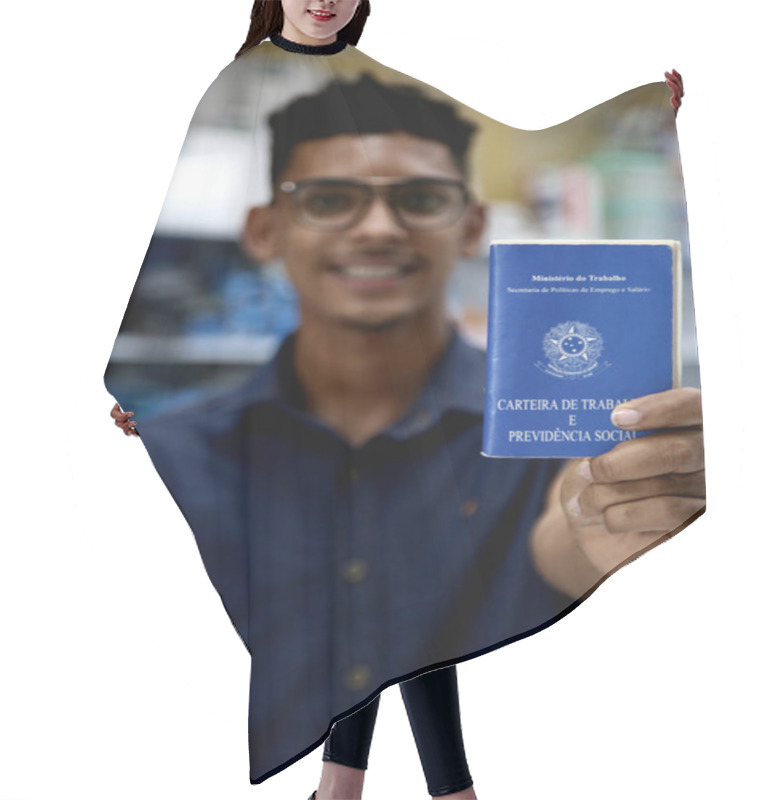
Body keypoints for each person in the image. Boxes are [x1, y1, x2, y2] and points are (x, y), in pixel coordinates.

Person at [108, 2, 699, 797]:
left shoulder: (379, 84)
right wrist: (148, 388)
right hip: (300, 388)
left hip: (395, 379)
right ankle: (417, 788)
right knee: (375, 580)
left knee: (402, 579)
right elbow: (177, 242)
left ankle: (355, 787)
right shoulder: (239, 84)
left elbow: (507, 140)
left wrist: (637, 115)